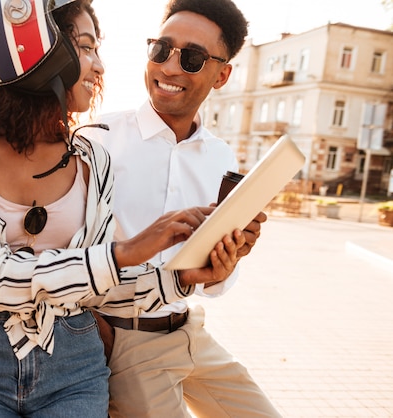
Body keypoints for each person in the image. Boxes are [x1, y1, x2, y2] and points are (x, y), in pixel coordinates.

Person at [0, 0, 246, 417]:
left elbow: (100, 287)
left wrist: (181, 278)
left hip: (75, 364)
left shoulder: (92, 158)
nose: (100, 67)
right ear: (39, 53)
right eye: (87, 48)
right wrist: (126, 252)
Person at [89, 0, 282, 417]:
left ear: (222, 75)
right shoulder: (97, 140)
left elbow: (214, 287)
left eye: (191, 58)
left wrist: (229, 258)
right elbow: (69, 258)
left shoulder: (221, 157)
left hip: (191, 330)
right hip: (128, 341)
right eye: (161, 49)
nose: (170, 68)